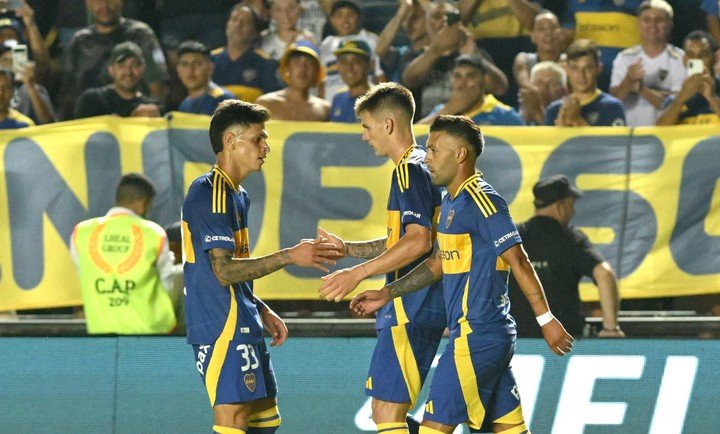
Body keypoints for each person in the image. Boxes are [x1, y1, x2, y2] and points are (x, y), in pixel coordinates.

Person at [351, 115, 574, 434]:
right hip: (479, 336)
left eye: (434, 150)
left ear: (460, 155)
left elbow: (519, 259)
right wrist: (387, 293)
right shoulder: (451, 203)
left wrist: (546, 320)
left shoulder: (482, 199)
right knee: (509, 430)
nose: (426, 157)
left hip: (478, 335)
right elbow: (436, 264)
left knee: (432, 428)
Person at [181, 99, 341, 433]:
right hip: (219, 322)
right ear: (230, 141)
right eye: (258, 139)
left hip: (241, 314)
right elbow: (222, 271)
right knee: (235, 419)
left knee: (265, 419)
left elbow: (231, 265)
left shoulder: (237, 194)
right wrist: (290, 256)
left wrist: (259, 307)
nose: (266, 146)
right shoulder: (209, 192)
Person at [319, 83, 446, 434]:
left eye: (366, 126)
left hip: (412, 305)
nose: (364, 136)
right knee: (386, 412)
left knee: (387, 414)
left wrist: (357, 273)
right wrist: (348, 248)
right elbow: (403, 240)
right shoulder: (423, 166)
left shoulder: (407, 169)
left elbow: (419, 243)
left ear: (388, 125)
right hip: (420, 301)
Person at [508, 175, 624, 339]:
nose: (574, 211)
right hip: (563, 342)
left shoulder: (512, 238)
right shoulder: (571, 239)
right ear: (560, 207)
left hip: (517, 343)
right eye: (571, 205)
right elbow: (604, 274)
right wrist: (611, 329)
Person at [70, 173, 181, 335]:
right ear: (144, 202)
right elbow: (168, 285)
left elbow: (83, 274)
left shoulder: (81, 232)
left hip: (101, 328)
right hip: (151, 331)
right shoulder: (153, 233)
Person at [59, 0, 169, 118]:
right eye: (97, 1)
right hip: (91, 123)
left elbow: (158, 86)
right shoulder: (79, 41)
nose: (104, 5)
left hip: (136, 123)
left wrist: (154, 113)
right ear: (87, 3)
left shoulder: (141, 34)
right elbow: (68, 94)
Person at [402, 1, 508, 118]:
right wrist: (437, 49)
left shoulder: (473, 51)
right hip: (432, 124)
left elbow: (500, 88)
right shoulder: (416, 55)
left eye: (448, 17)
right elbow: (408, 80)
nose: (442, 21)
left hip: (472, 123)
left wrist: (473, 54)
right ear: (426, 24)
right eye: (436, 17)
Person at [610, 0, 686, 127]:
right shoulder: (624, 58)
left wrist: (641, 89)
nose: (652, 25)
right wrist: (628, 80)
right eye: (646, 19)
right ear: (638, 23)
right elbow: (614, 101)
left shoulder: (680, 59)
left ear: (670, 24)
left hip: (666, 135)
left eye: (659, 20)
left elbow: (678, 105)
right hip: (630, 134)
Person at [418, 54, 524, 125]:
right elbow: (414, 141)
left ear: (484, 80)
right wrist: (449, 110)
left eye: (471, 76)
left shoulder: (505, 115)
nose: (462, 84)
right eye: (457, 76)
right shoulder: (441, 111)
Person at [211, 4, 283, 103]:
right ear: (227, 25)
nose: (238, 25)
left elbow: (274, 103)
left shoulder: (267, 64)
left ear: (255, 32)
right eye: (234, 19)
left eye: (245, 22)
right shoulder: (210, 60)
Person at [544, 39, 626, 126]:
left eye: (588, 68)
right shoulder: (554, 110)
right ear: (566, 69)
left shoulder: (611, 107)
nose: (581, 75)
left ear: (598, 68)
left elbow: (613, 140)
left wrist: (577, 120)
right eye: (575, 68)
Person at [74, 41, 162, 119]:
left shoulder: (153, 108)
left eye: (134, 65)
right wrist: (132, 121)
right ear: (111, 70)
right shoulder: (92, 100)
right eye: (122, 65)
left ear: (143, 69)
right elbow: (82, 134)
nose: (128, 71)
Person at [318, 0, 386, 102]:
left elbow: (379, 74)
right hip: (333, 105)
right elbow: (323, 81)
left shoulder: (370, 40)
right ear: (331, 19)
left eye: (350, 15)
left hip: (364, 102)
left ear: (358, 18)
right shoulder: (326, 44)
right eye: (339, 15)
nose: (345, 20)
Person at [656, 30, 720, 125]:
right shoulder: (676, 97)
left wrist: (713, 99)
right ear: (684, 60)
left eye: (702, 55)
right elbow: (659, 132)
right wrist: (680, 99)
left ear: (715, 58)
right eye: (690, 55)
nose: (696, 60)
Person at [256, 41, 329, 121]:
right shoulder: (266, 104)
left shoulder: (325, 109)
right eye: (297, 62)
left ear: (316, 72)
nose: (303, 68)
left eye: (310, 62)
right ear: (287, 69)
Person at [176, 40, 235, 115]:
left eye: (197, 64)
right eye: (185, 64)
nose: (190, 70)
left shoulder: (223, 99)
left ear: (210, 67)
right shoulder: (184, 105)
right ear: (178, 70)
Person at [513, 9, 565, 91]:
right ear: (532, 36)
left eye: (552, 28)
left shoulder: (570, 61)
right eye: (541, 29)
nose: (548, 33)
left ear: (561, 33)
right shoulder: (524, 59)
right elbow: (524, 83)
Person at [328, 38, 372, 122]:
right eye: (343, 62)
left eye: (356, 61)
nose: (349, 67)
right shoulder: (338, 98)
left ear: (369, 64)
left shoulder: (380, 100)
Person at [518, 60, 568, 125]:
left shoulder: (568, 113)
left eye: (552, 83)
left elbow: (552, 134)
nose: (544, 88)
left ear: (564, 90)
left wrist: (535, 112)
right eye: (539, 83)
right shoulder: (520, 112)